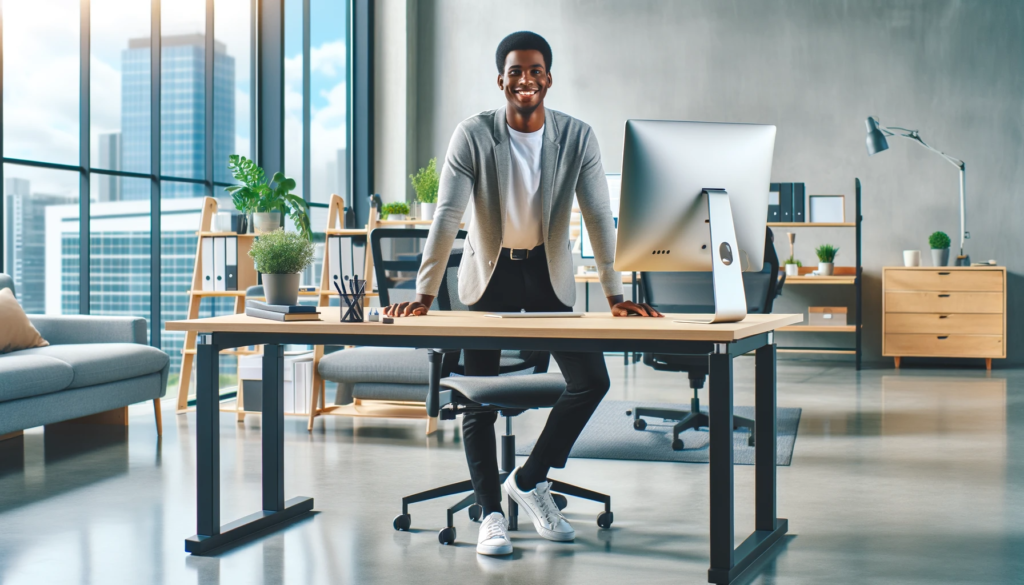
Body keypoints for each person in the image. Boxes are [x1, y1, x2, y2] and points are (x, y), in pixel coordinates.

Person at [384, 31, 662, 557]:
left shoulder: (576, 137)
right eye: (515, 71)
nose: (525, 79)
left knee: (591, 379)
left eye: (535, 70)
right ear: (501, 80)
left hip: (548, 271)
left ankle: (530, 480)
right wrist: (423, 293)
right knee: (477, 397)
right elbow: (447, 215)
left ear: (548, 78)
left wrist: (614, 293)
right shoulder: (473, 135)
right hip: (490, 273)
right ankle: (490, 512)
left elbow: (600, 216)